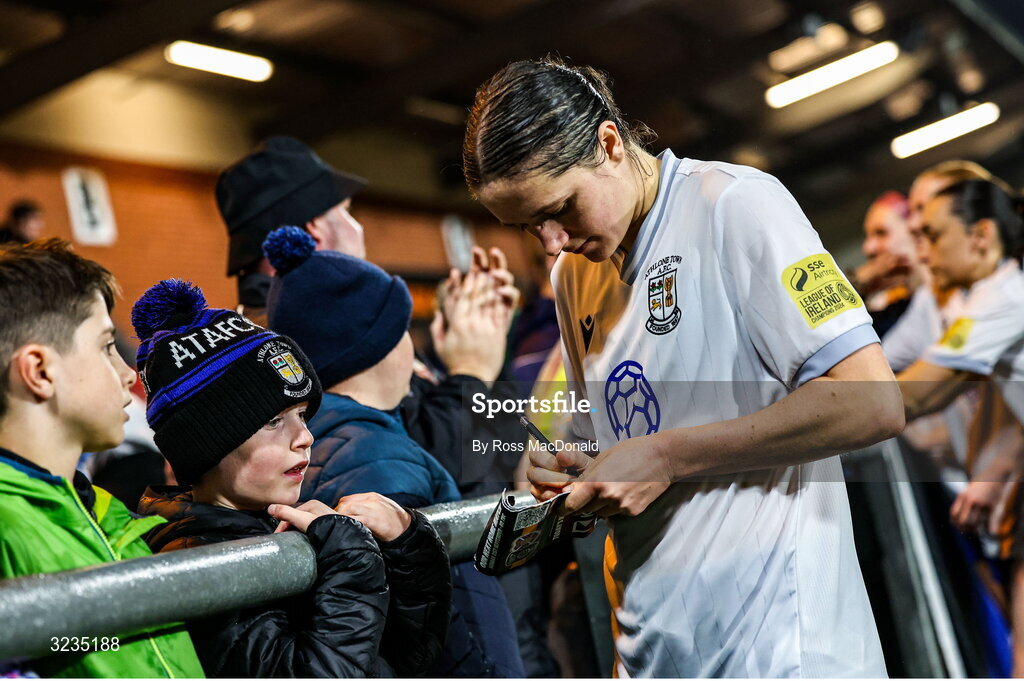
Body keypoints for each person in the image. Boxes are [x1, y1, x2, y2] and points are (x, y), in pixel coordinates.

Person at [462, 58, 904, 677]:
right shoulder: (573, 277)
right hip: (654, 651)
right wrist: (565, 465)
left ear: (609, 143)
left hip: (781, 649)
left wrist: (668, 457)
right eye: (529, 226)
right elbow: (612, 435)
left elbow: (872, 401)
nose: (551, 242)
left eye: (561, 208)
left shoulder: (737, 204)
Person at [129, 278, 451, 677]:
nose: (305, 437)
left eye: (301, 415)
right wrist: (351, 561)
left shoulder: (273, 525)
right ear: (208, 445)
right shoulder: (195, 567)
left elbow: (408, 660)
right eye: (273, 421)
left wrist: (408, 546)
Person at [262, 226, 525, 677]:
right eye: (402, 329)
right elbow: (431, 625)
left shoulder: (345, 435)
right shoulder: (374, 459)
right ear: (379, 350)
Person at [0, 239, 203, 678]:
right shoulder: (6, 524)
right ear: (39, 371)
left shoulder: (99, 507)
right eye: (106, 346)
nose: (129, 374)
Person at [893, 179, 1024, 674]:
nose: (924, 252)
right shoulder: (984, 298)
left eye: (933, 234)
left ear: (981, 236)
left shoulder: (1001, 301)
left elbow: (916, 392)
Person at [855, 191, 927, 337]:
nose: (868, 248)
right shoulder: (895, 311)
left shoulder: (960, 292)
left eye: (881, 233)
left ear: (915, 230)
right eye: (868, 236)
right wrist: (858, 285)